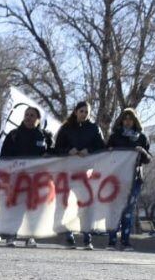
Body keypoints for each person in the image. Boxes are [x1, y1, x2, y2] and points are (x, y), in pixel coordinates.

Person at [0, 106, 54, 248]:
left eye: (32, 115)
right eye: (27, 114)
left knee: (33, 209)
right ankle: (11, 235)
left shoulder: (46, 136)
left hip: (37, 180)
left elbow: (54, 155)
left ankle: (30, 236)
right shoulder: (13, 135)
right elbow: (4, 157)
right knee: (15, 208)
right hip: (16, 179)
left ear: (38, 119)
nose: (29, 117)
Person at [54, 101, 105, 250]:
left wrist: (88, 151)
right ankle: (68, 235)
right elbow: (57, 148)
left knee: (85, 204)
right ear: (76, 111)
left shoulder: (94, 128)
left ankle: (86, 236)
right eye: (81, 111)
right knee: (63, 203)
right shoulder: (66, 128)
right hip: (66, 171)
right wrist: (69, 150)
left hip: (85, 173)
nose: (83, 114)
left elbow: (101, 148)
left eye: (86, 112)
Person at [105, 108, 152, 251]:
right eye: (125, 119)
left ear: (135, 121)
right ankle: (111, 241)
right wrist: (111, 152)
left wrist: (142, 151)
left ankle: (125, 242)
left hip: (134, 179)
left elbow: (148, 159)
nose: (127, 121)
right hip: (116, 179)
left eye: (130, 119)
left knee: (128, 211)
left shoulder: (142, 137)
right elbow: (106, 156)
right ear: (121, 120)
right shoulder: (115, 137)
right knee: (114, 209)